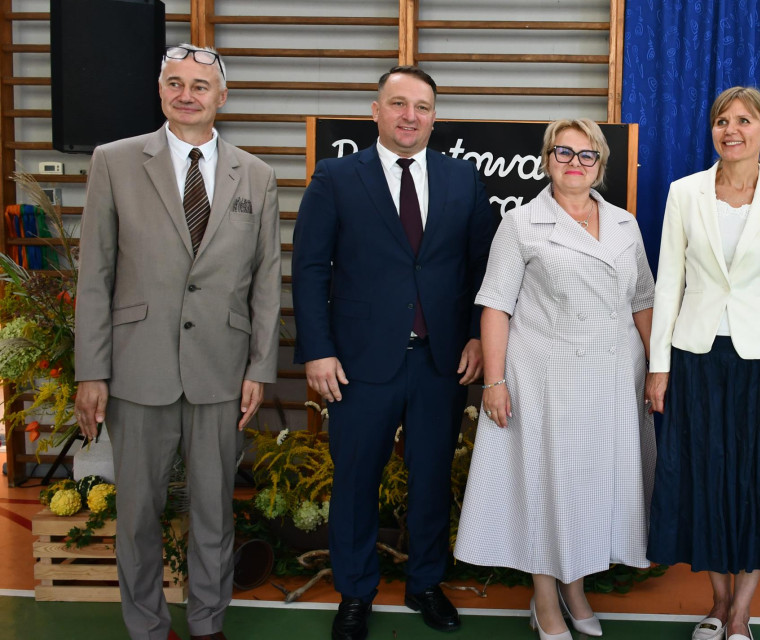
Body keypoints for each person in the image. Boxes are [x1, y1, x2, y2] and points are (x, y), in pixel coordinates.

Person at [74, 44, 281, 640]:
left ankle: (208, 623)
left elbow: (266, 280)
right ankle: (144, 625)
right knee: (138, 513)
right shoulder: (114, 162)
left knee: (214, 510)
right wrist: (93, 370)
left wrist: (259, 369)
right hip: (137, 370)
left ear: (222, 96)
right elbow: (96, 274)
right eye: (174, 83)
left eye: (199, 85)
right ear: (160, 91)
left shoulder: (257, 175)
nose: (186, 94)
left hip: (222, 369)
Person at [291, 66, 496, 639]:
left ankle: (425, 584)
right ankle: (355, 592)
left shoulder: (462, 179)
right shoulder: (335, 178)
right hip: (358, 365)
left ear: (435, 116)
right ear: (376, 110)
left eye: (423, 107)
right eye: (399, 104)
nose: (411, 116)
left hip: (441, 361)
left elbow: (484, 270)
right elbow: (309, 270)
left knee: (431, 478)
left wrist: (480, 336)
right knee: (356, 481)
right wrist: (318, 351)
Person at [454, 118, 656, 640]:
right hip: (545, 376)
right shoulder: (521, 223)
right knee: (547, 486)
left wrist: (658, 370)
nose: (574, 163)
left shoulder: (624, 225)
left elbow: (643, 302)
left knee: (592, 489)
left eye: (586, 155)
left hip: (614, 379)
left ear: (601, 166)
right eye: (563, 153)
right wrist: (494, 383)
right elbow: (495, 306)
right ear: (546, 160)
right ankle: (545, 595)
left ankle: (576, 587)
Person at [646, 86, 760, 640]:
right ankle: (717, 604)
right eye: (722, 119)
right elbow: (668, 283)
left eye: (744, 119)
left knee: (759, 482)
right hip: (695, 359)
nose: (731, 128)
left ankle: (742, 613)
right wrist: (658, 365)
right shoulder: (683, 193)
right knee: (704, 478)